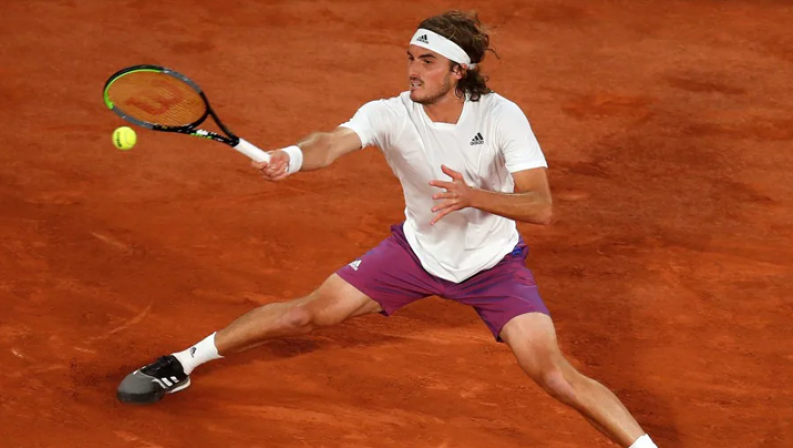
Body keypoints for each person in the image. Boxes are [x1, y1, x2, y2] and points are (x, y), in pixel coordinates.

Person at [116, 10, 659, 448]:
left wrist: (472, 196)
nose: (413, 71)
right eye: (410, 59)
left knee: (555, 374)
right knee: (307, 313)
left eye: (427, 61)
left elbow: (540, 206)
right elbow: (330, 142)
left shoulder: (501, 117)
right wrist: (292, 156)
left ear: (458, 71)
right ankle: (181, 362)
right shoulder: (390, 113)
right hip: (415, 256)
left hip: (492, 267)